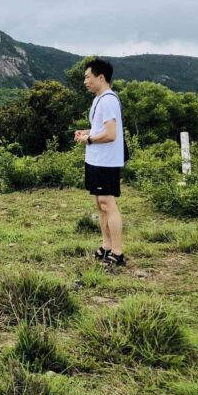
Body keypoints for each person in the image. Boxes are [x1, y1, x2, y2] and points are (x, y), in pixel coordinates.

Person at [74, 58, 127, 266]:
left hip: (106, 161)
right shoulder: (98, 99)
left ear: (101, 77)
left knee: (108, 204)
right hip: (96, 159)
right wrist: (86, 133)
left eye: (88, 77)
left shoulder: (108, 100)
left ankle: (117, 252)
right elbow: (101, 129)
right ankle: (106, 246)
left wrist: (89, 138)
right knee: (100, 204)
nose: (85, 81)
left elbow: (111, 134)